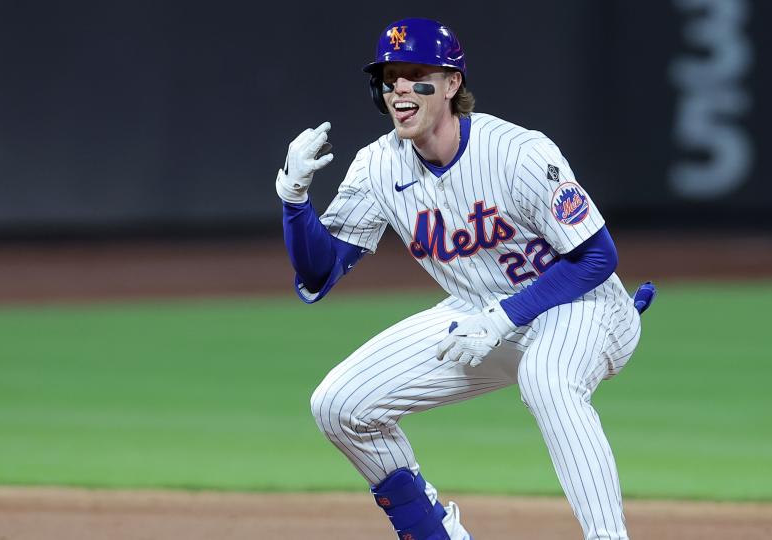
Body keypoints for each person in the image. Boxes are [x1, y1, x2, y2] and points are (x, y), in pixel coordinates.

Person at [276, 17, 655, 540]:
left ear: (452, 84)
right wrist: (295, 201)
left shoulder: (517, 153)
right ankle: (434, 533)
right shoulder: (377, 166)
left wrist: (506, 316)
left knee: (547, 381)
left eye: (415, 74)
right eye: (390, 78)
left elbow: (596, 258)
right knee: (340, 406)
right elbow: (320, 272)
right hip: (475, 314)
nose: (400, 88)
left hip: (583, 309)